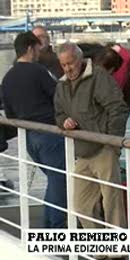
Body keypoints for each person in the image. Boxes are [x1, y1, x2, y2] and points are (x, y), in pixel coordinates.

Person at [54, 42, 129, 260]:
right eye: (63, 64)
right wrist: (63, 121)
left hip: (104, 148)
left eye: (70, 63)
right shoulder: (61, 85)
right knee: (81, 204)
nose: (67, 68)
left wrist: (113, 143)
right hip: (82, 151)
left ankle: (117, 252)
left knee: (112, 201)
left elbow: (118, 108)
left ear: (80, 59)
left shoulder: (98, 77)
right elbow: (58, 113)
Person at [1, 31, 66, 228]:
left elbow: (10, 113)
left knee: (54, 179)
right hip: (48, 133)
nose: (39, 53)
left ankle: (50, 223)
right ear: (30, 48)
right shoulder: (38, 71)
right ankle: (56, 225)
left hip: (27, 137)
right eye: (38, 49)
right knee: (59, 178)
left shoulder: (8, 78)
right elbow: (59, 96)